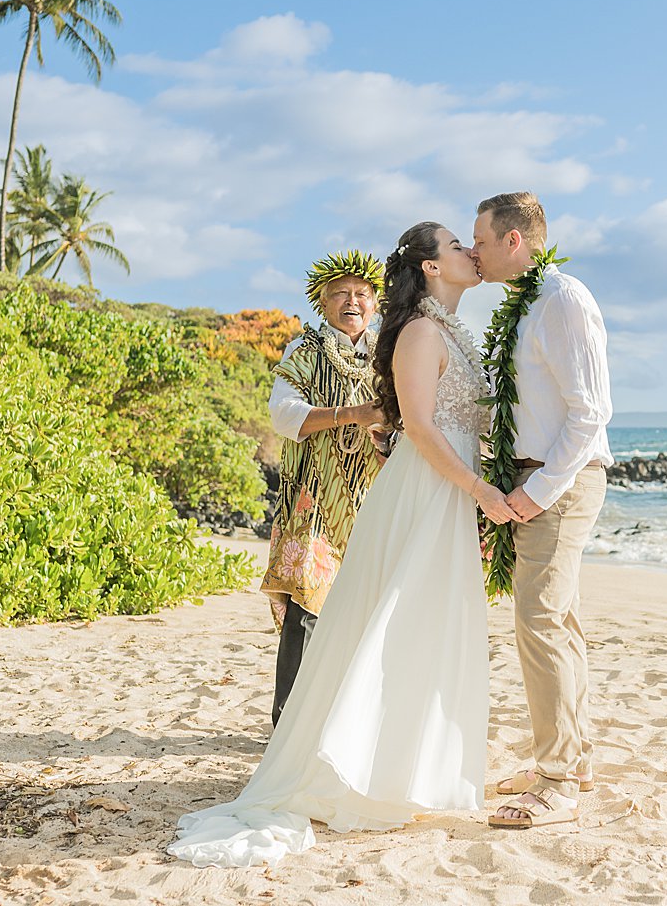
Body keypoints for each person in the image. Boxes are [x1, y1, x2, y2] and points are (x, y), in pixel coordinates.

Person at [167, 223, 520, 868]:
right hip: (401, 492)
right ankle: (345, 759)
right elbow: (415, 424)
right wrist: (476, 489)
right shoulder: (410, 333)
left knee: (422, 623)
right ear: (431, 267)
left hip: (424, 491)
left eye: (360, 292)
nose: (471, 250)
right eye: (456, 244)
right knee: (368, 619)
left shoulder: (441, 332)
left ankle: (410, 766)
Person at [469, 191, 613, 830]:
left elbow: (590, 412)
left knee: (540, 621)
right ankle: (571, 760)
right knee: (559, 620)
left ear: (513, 241)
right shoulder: (529, 304)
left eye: (480, 239)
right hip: (540, 478)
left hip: (562, 482)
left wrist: (538, 490)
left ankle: (557, 782)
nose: (473, 250)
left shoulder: (562, 299)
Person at [262, 250, 389, 726]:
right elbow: (283, 414)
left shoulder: (390, 354)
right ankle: (288, 723)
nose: (352, 301)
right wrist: (353, 415)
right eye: (341, 294)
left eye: (362, 294)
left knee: (367, 612)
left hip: (375, 499)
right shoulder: (305, 351)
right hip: (313, 499)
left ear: (376, 303)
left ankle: (346, 722)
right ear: (322, 301)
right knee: (306, 610)